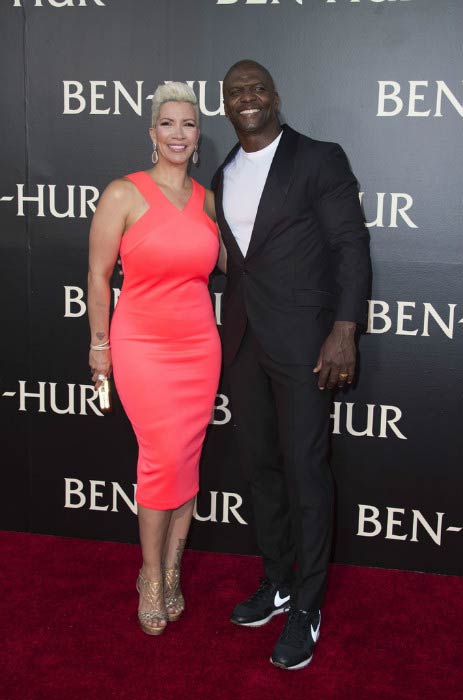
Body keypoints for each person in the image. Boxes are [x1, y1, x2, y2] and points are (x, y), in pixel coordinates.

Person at [212, 60, 371, 669]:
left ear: (275, 96)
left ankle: (308, 604)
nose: (246, 98)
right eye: (235, 92)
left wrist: (344, 330)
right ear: (225, 105)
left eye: (255, 88)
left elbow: (350, 245)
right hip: (246, 342)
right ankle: (277, 580)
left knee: (307, 472)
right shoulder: (223, 172)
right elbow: (237, 259)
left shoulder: (318, 158)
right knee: (262, 469)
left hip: (307, 343)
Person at [87, 82, 224, 636]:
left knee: (186, 456)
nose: (178, 134)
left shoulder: (207, 200)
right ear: (152, 133)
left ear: (197, 137)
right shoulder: (123, 193)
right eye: (167, 123)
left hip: (199, 346)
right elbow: (98, 275)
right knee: (161, 455)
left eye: (187, 124)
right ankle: (148, 574)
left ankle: (171, 570)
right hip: (141, 344)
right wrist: (100, 345)